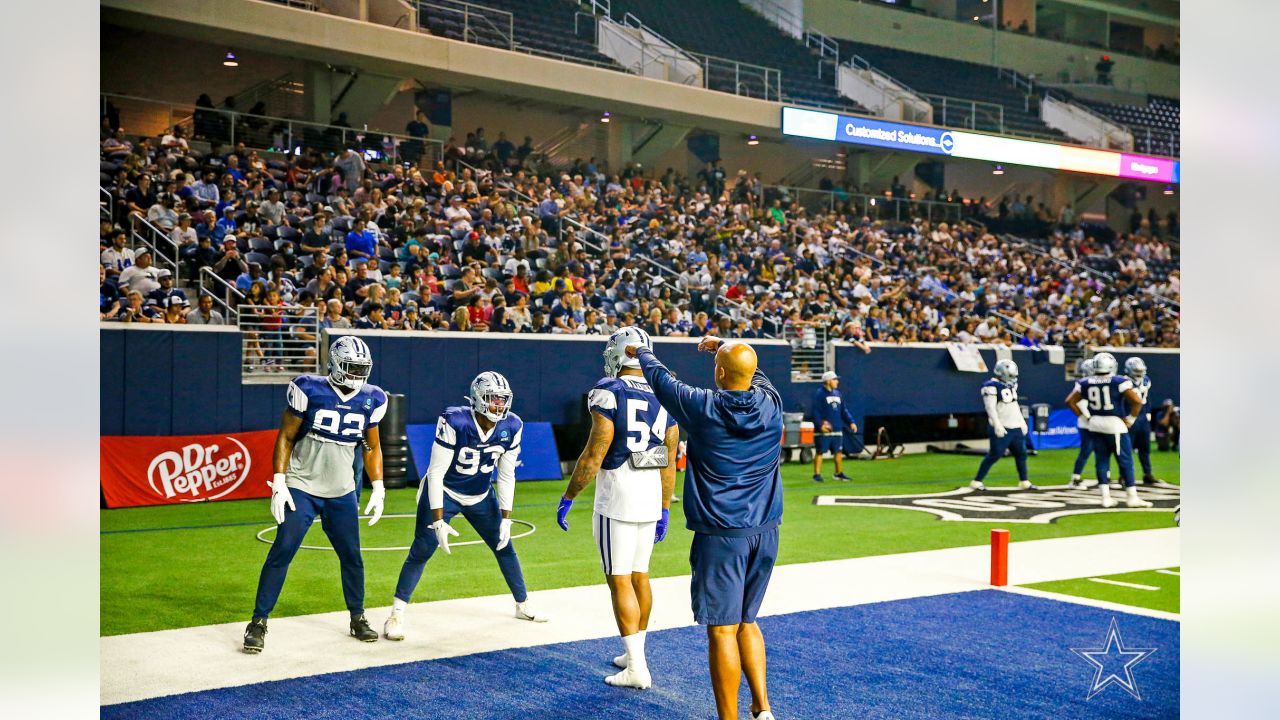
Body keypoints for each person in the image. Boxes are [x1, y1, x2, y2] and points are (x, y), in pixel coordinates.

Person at [630, 335, 781, 720]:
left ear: (718, 373)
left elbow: (662, 380)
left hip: (722, 536)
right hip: (765, 532)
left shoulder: (704, 406)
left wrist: (641, 351)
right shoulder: (771, 401)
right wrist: (723, 347)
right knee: (748, 621)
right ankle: (762, 709)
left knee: (721, 630)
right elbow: (750, 372)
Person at [243, 336, 388, 653]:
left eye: (362, 368)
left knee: (352, 556)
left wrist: (378, 485)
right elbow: (286, 436)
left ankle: (358, 617)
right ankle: (258, 621)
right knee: (283, 551)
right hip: (302, 486)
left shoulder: (374, 398)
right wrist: (279, 480)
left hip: (341, 489)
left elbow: (372, 445)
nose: (357, 375)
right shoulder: (308, 387)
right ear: (335, 365)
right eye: (351, 367)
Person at [556, 328, 679, 689]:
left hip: (618, 493)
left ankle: (637, 668)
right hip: (650, 491)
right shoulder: (664, 392)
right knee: (640, 575)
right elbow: (670, 460)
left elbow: (596, 452)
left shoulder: (608, 391)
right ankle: (635, 652)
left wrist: (569, 496)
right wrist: (665, 506)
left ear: (621, 353)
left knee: (619, 578)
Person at [384, 371, 547, 641]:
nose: (499, 405)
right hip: (445, 491)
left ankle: (523, 604)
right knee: (422, 549)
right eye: (493, 399)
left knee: (504, 546)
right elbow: (435, 473)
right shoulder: (456, 421)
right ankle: (396, 614)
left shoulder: (512, 425)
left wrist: (506, 517)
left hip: (481, 494)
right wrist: (438, 518)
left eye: (503, 399)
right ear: (477, 398)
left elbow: (506, 475)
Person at [1065, 352, 1152, 509]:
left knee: (1102, 460)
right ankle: (1132, 497)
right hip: (1114, 424)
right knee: (1126, 460)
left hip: (1095, 423)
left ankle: (1105, 497)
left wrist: (1085, 417)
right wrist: (1131, 419)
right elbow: (1137, 401)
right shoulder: (1119, 381)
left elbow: (1070, 401)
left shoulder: (1085, 382)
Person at [970, 359, 1036, 491]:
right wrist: (997, 425)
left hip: (1015, 426)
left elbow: (1014, 405)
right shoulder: (991, 386)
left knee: (1021, 454)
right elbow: (990, 407)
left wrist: (1022, 422)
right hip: (1003, 426)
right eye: (1011, 376)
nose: (1013, 379)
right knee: (995, 455)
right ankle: (976, 481)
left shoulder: (1009, 386)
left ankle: (1024, 481)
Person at [811, 371, 858, 483]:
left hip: (837, 428)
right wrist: (820, 425)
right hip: (824, 430)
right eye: (834, 379)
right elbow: (816, 411)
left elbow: (843, 410)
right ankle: (817, 475)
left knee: (838, 452)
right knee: (820, 451)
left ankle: (838, 473)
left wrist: (851, 422)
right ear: (828, 381)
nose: (837, 381)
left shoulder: (838, 394)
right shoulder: (819, 394)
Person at [1124, 357, 1163, 485]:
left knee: (1145, 448)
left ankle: (1147, 473)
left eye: (1141, 370)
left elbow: (1147, 398)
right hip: (1130, 416)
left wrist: (1148, 413)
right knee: (1127, 449)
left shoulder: (1146, 380)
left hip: (1143, 418)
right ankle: (1124, 475)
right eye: (1136, 370)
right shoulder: (1124, 381)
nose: (1139, 373)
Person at [1069, 359, 1097, 489]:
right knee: (1086, 450)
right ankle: (1075, 478)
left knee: (1100, 450)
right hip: (1087, 422)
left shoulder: (1090, 382)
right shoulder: (1082, 384)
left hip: (1094, 421)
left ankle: (1105, 476)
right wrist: (1086, 416)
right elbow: (1078, 402)